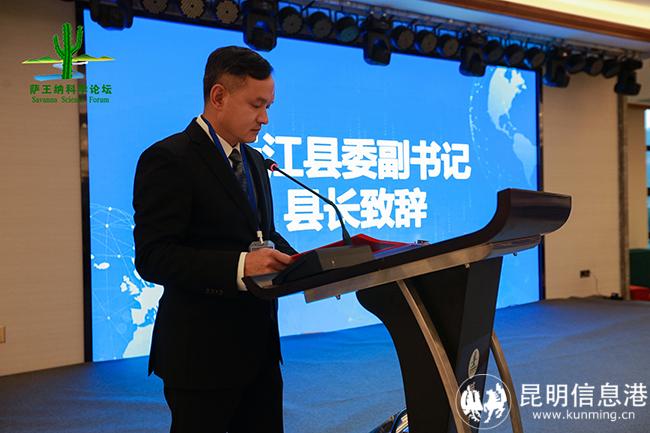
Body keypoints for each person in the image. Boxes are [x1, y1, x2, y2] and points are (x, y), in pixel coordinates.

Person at [132, 45, 297, 433]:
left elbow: (262, 233)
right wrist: (240, 266)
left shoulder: (254, 160)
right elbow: (154, 256)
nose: (265, 118)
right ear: (218, 96)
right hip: (201, 356)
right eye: (257, 105)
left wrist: (308, 264)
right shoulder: (169, 158)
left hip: (260, 351)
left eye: (269, 105)